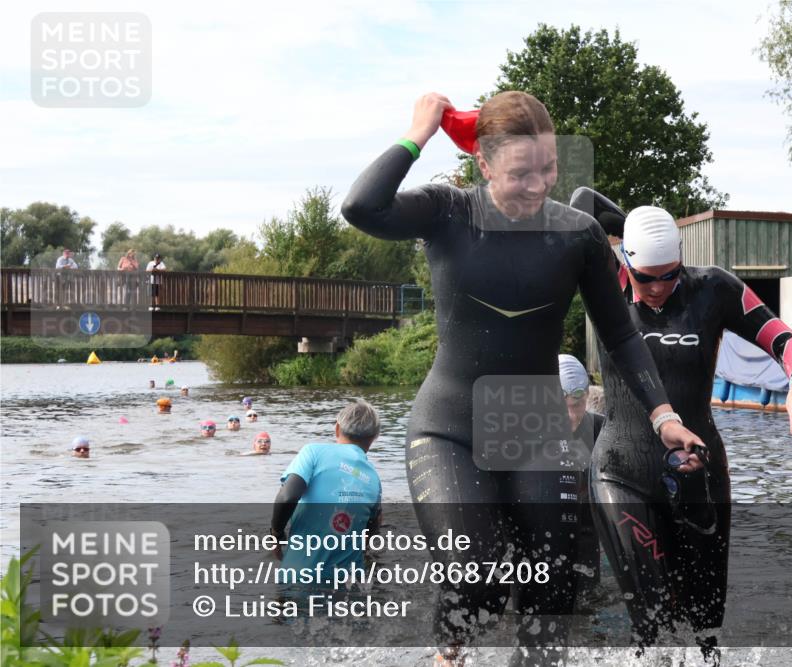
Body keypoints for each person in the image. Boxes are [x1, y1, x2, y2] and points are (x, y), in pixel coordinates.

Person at [341, 90, 703, 666]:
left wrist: (664, 416)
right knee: (476, 580)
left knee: (554, 592)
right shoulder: (447, 211)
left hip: (531, 426)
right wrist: (418, 134)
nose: (537, 185)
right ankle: (448, 655)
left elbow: (621, 335)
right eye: (519, 172)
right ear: (483, 164)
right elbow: (361, 207)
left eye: (548, 168)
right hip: (449, 428)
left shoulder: (577, 234)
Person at [573, 194, 792, 662]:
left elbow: (783, 338)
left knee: (706, 625)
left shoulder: (715, 288)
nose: (658, 287)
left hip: (698, 473)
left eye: (669, 274)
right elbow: (580, 202)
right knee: (651, 616)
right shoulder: (605, 278)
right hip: (621, 468)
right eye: (646, 277)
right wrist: (639, 225)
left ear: (681, 260)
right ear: (626, 261)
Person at [270, 401, 382, 573]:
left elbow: (287, 496)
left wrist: (276, 535)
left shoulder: (313, 452)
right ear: (374, 437)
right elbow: (371, 531)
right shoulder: (374, 479)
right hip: (348, 583)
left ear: (337, 428)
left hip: (299, 576)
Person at [557, 354, 605, 593]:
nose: (569, 416)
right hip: (537, 532)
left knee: (588, 602)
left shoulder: (602, 429)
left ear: (586, 397)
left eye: (576, 405)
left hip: (584, 535)